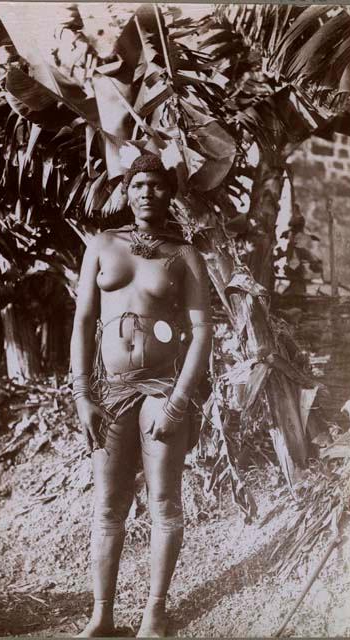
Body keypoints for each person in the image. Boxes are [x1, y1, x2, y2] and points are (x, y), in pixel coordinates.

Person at [69, 153, 212, 637]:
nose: (146, 192)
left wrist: (177, 403)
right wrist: (82, 396)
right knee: (108, 505)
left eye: (155, 185)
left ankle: (155, 614)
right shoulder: (102, 246)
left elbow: (201, 332)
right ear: (126, 193)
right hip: (111, 391)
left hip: (161, 389)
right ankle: (102, 615)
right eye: (138, 185)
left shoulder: (185, 254)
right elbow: (84, 323)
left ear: (167, 193)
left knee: (164, 500)